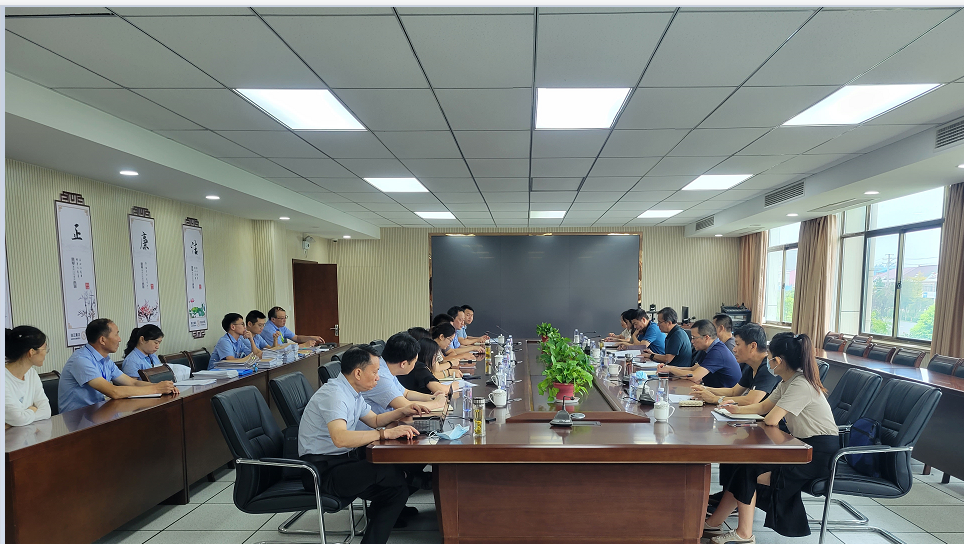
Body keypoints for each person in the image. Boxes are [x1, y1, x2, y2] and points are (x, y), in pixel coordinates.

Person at [703, 333, 838, 543]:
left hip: (817, 455)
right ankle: (713, 524)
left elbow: (772, 419)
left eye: (769, 357)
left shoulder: (801, 384)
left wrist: (740, 411)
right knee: (741, 465)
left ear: (778, 361)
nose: (767, 361)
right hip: (799, 445)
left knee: (747, 470)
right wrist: (733, 410)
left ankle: (743, 534)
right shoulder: (788, 381)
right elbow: (763, 406)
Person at [298, 345, 429, 544]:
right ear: (358, 373)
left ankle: (412, 479)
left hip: (343, 463)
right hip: (321, 472)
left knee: (396, 491)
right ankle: (419, 479)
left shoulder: (352, 392)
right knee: (384, 469)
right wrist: (385, 433)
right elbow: (340, 438)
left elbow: (374, 420)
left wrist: (402, 411)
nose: (378, 377)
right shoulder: (335, 395)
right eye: (375, 372)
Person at [58, 318, 177, 413]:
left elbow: (132, 382)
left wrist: (163, 387)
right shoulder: (81, 360)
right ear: (102, 340)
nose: (119, 339)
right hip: (77, 419)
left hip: (98, 412)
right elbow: (113, 391)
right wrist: (156, 389)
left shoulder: (105, 359)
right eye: (116, 334)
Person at [357, 332, 445, 430]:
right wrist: (437, 403)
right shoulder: (380, 376)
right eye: (414, 362)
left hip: (386, 426)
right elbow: (406, 406)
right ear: (403, 364)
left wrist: (432, 398)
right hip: (372, 433)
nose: (415, 365)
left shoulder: (386, 367)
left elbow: (406, 393)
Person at [690, 323, 779, 406]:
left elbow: (750, 401)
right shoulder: (752, 366)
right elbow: (734, 392)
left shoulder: (769, 367)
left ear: (752, 346)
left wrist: (714, 399)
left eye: (737, 344)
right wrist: (705, 389)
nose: (734, 349)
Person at [657, 319, 741, 388]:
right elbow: (693, 369)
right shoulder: (708, 349)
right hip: (714, 392)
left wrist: (671, 370)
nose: (692, 341)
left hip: (727, 397)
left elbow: (694, 376)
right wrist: (668, 368)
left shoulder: (717, 352)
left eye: (694, 338)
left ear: (706, 338)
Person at [5, 326, 52, 428]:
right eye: (45, 348)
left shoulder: (31, 374)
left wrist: (11, 423)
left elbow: (46, 411)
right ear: (31, 352)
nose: (45, 353)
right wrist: (33, 409)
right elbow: (18, 419)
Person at [120, 324, 188, 381]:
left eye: (159, 343)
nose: (157, 347)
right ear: (142, 340)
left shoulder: (153, 356)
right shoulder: (131, 361)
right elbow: (132, 386)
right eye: (156, 342)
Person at [260, 306, 325, 347]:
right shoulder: (269, 330)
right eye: (282, 318)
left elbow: (296, 338)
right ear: (273, 319)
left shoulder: (281, 326)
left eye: (285, 317)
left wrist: (311, 337)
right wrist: (304, 345)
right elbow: (280, 349)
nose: (284, 320)